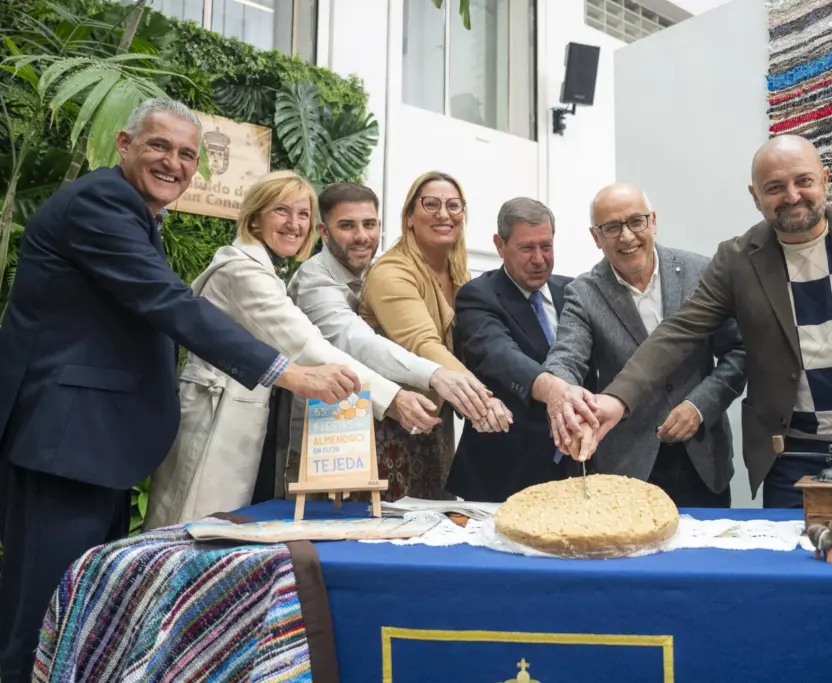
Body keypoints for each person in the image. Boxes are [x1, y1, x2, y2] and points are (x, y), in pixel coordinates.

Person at [0, 99, 355, 683]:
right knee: (43, 619)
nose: (174, 162)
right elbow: (167, 303)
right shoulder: (100, 202)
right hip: (65, 446)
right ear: (123, 145)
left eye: (188, 154)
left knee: (77, 618)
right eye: (159, 146)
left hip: (95, 451)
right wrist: (286, 372)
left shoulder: (136, 214)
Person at [585, 135, 832, 508]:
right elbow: (679, 331)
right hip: (790, 456)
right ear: (755, 196)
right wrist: (617, 399)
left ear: (825, 179)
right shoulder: (737, 259)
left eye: (804, 181)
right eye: (775, 187)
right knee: (795, 564)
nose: (792, 196)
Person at [144, 171, 441, 528]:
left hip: (236, 422)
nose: (294, 224)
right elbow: (307, 346)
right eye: (281, 211)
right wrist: (393, 398)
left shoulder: (265, 268)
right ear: (255, 217)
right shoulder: (243, 273)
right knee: (190, 537)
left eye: (302, 214)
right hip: (214, 424)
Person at [532, 183, 746, 507]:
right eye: (612, 227)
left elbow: (738, 352)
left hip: (703, 456)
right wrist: (562, 393)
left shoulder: (702, 272)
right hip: (628, 463)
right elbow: (566, 355)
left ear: (653, 221)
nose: (627, 237)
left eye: (636, 222)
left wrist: (700, 405)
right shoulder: (584, 292)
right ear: (596, 237)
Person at [286, 182, 494, 488]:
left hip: (384, 432)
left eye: (369, 225)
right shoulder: (313, 281)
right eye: (347, 226)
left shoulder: (384, 268)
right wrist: (436, 375)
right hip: (324, 441)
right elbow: (356, 341)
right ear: (324, 232)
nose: (361, 236)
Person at [359, 171, 513, 500]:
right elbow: (423, 345)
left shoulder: (460, 276)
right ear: (410, 217)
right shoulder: (391, 272)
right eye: (431, 204)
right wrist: (483, 401)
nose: (444, 214)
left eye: (453, 206)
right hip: (389, 425)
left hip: (435, 426)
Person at [445, 197, 574, 502]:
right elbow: (499, 354)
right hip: (503, 475)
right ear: (499, 246)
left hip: (573, 473)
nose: (539, 259)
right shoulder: (478, 295)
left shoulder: (574, 292)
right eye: (527, 248)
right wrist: (553, 389)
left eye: (547, 246)